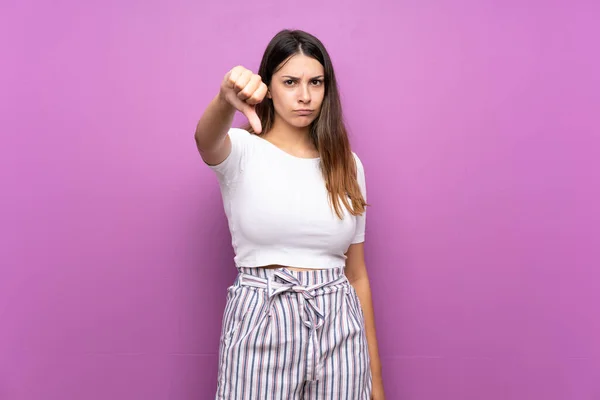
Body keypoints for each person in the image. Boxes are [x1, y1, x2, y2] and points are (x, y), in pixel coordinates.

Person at [194, 29, 385, 400]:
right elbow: (205, 140)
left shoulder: (347, 164)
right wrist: (224, 100)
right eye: (290, 82)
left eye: (316, 82)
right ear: (268, 86)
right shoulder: (242, 150)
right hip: (262, 318)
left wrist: (375, 383)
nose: (305, 96)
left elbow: (358, 276)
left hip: (339, 325)